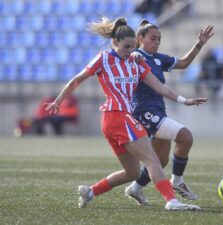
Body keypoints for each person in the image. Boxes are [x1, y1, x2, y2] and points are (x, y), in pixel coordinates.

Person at [44, 17, 208, 211]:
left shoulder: (136, 62)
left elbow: (160, 87)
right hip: (117, 116)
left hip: (115, 120)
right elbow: (77, 80)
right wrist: (58, 101)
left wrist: (184, 100)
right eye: (126, 47)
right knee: (153, 160)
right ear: (114, 43)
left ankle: (89, 191)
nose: (130, 51)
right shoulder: (104, 58)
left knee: (132, 172)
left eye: (132, 47)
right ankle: (171, 200)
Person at [124, 20, 214, 206]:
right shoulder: (136, 56)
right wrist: (132, 54)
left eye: (159, 38)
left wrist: (200, 44)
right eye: (153, 38)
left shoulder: (158, 58)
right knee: (185, 136)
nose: (157, 42)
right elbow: (128, 57)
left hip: (158, 111)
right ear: (139, 38)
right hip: (144, 112)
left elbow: (184, 63)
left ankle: (135, 189)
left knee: (160, 160)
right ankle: (178, 182)